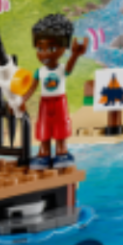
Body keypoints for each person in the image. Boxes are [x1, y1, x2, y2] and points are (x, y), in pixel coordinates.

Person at [29, 13, 89, 168]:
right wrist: (21, 100)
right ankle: (44, 152)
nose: (44, 53)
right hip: (45, 104)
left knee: (60, 125)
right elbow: (31, 88)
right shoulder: (39, 72)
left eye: (51, 48)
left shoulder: (61, 69)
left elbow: (69, 68)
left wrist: (75, 55)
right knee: (43, 126)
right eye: (39, 48)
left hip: (59, 102)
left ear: (63, 49)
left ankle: (61, 151)